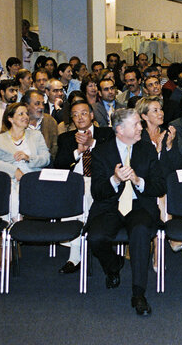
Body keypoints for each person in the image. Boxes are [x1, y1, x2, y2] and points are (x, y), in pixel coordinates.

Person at [87, 108, 170, 316]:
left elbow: (160, 186)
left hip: (139, 205)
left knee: (141, 231)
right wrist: (114, 180)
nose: (141, 127)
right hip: (109, 207)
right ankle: (113, 265)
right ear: (119, 129)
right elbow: (97, 191)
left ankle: (139, 293)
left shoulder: (147, 149)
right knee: (96, 238)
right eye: (136, 124)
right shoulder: (100, 152)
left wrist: (137, 181)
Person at [53, 100, 115, 274]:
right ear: (71, 118)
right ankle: (75, 255)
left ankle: (75, 257)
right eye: (75, 114)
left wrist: (92, 143)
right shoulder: (66, 138)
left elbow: (113, 158)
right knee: (76, 194)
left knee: (85, 194)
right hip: (75, 181)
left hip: (99, 180)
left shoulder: (107, 134)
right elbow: (59, 164)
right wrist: (78, 151)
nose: (80, 117)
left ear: (92, 115)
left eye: (83, 113)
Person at [0, 102, 51, 182]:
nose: (26, 116)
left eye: (27, 114)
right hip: (9, 180)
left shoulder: (36, 135)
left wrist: (29, 158)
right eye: (21, 114)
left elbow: (46, 159)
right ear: (10, 119)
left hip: (33, 179)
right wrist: (14, 171)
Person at [23, 89, 58, 159]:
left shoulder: (49, 121)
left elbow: (54, 148)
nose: (42, 107)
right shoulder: (18, 121)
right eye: (37, 104)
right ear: (26, 106)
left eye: (42, 103)